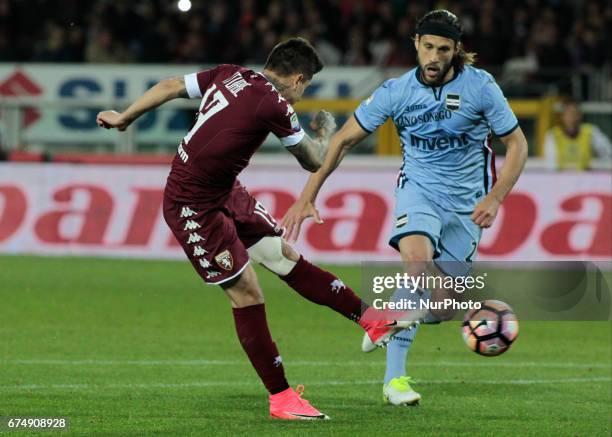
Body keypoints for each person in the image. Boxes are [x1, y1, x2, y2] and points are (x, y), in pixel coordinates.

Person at [96, 37, 411, 420]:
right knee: (247, 294)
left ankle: (371, 319)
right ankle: (281, 398)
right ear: (296, 80)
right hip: (191, 205)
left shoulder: (230, 73)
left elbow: (171, 86)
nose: (300, 95)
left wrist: (124, 116)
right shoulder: (275, 104)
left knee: (282, 256)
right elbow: (313, 161)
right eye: (305, 87)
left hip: (224, 190)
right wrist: (326, 136)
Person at [282, 11, 528, 406]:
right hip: (419, 191)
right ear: (415, 43)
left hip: (468, 204)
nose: (433, 57)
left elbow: (517, 145)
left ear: (455, 51)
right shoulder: (396, 92)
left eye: (443, 49)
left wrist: (496, 196)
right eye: (427, 47)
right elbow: (342, 140)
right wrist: (307, 194)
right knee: (417, 264)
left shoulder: (481, 88)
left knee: (445, 307)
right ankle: (394, 380)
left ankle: (392, 317)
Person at [543, 99, 611, 170]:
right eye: (567, 114)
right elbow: (550, 164)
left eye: (573, 114)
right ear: (562, 117)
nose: (571, 118)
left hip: (587, 178)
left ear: (579, 116)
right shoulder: (553, 135)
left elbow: (608, 154)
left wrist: (597, 168)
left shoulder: (590, 132)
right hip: (561, 178)